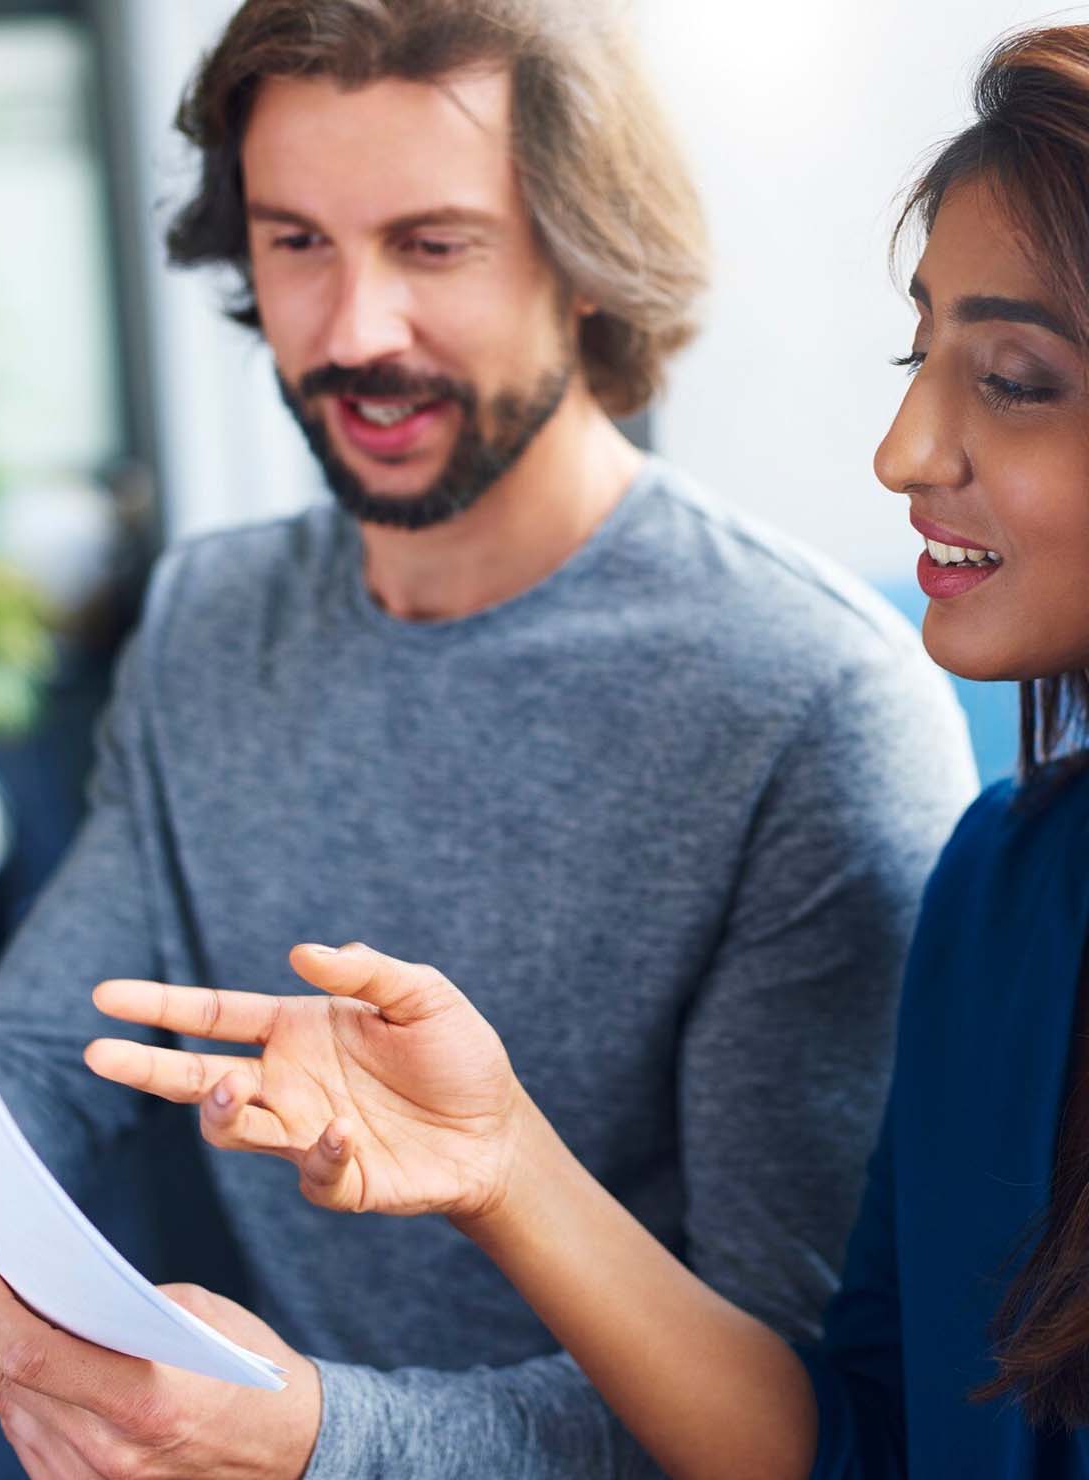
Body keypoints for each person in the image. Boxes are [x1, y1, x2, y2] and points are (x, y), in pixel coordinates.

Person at [0, 2, 976, 1476]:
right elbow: (41, 1070)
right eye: (297, 243)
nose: (353, 332)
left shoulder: (809, 705)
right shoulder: (213, 622)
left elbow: (810, 1424)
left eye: (434, 245)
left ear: (587, 259)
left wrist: (323, 1443)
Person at [80, 24, 1089, 1478]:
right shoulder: (1007, 884)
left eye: (1015, 377)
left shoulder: (812, 696)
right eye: (918, 353)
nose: (901, 452)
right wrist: (503, 1163)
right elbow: (861, 1437)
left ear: (582, 261)